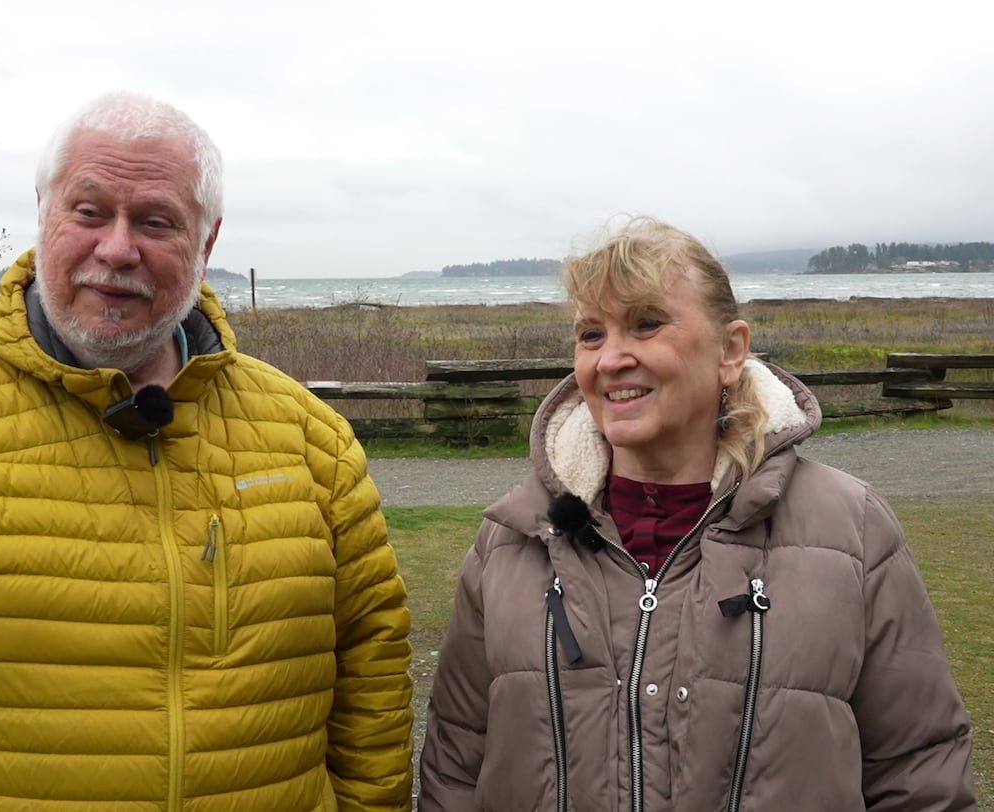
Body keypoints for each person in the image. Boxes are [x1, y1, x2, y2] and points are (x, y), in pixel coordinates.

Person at [0, 91, 414, 811]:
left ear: (208, 241)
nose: (118, 248)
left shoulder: (310, 440)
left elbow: (372, 683)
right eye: (90, 211)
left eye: (156, 221)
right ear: (43, 212)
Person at [418, 218, 975, 811]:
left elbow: (919, 769)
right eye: (590, 334)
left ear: (730, 350)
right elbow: (456, 763)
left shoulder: (852, 527)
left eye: (646, 324)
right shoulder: (513, 537)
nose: (610, 359)